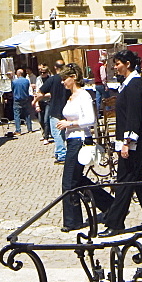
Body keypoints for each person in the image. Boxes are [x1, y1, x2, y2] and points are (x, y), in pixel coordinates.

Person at [101, 50, 142, 237]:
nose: (115, 67)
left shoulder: (134, 85)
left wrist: (127, 142)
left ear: (127, 64)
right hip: (133, 142)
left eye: (117, 64)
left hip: (135, 144)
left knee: (124, 183)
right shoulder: (128, 84)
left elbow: (134, 116)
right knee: (141, 182)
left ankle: (116, 222)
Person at [57, 64, 115, 231]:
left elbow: (91, 119)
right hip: (71, 140)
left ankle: (72, 221)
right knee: (77, 179)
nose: (63, 83)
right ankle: (109, 204)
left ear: (73, 77)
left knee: (68, 181)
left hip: (80, 140)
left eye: (64, 79)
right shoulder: (71, 96)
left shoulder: (84, 96)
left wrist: (71, 123)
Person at [37, 60, 69, 163]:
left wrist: (36, 100)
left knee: (57, 133)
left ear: (55, 68)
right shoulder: (68, 79)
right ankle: (58, 152)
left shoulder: (52, 79)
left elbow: (40, 92)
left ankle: (61, 154)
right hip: (67, 109)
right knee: (63, 133)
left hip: (55, 108)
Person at [33, 64, 53, 143]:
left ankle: (46, 137)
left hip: (48, 101)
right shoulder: (38, 79)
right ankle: (45, 133)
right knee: (40, 120)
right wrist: (36, 104)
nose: (42, 74)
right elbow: (37, 92)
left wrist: (43, 95)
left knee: (46, 119)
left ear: (47, 72)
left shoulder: (50, 80)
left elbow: (52, 93)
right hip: (40, 101)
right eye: (41, 72)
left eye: (44, 72)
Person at [11, 68, 34, 135]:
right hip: (26, 99)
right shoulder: (26, 81)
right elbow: (27, 88)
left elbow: (12, 90)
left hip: (17, 100)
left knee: (17, 115)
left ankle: (18, 130)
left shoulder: (14, 82)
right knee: (27, 114)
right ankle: (30, 129)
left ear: (17, 74)